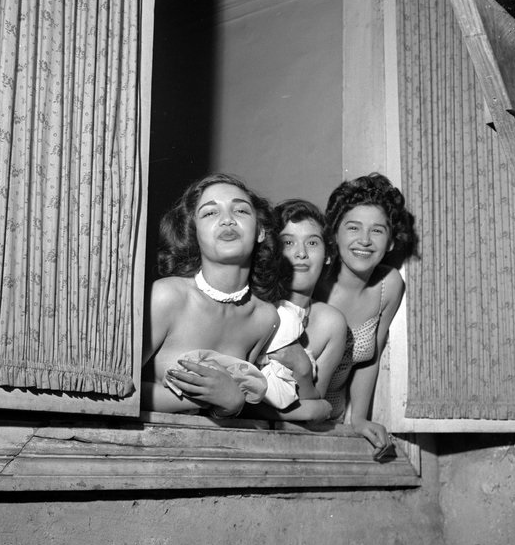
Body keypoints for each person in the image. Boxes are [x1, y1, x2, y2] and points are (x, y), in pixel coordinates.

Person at [141, 173, 280, 418]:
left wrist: (234, 405)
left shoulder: (265, 317)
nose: (227, 220)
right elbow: (116, 389)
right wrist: (213, 400)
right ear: (193, 233)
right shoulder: (167, 297)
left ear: (260, 231)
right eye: (210, 213)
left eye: (241, 211)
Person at [317, 173, 418, 459]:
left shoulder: (390, 285)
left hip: (334, 418)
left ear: (390, 242)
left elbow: (370, 356)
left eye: (377, 231)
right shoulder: (314, 279)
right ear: (335, 234)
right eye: (353, 228)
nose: (364, 240)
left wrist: (358, 419)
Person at [251, 199, 347, 422]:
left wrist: (301, 368)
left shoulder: (331, 322)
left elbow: (317, 401)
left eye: (312, 243)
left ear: (328, 255)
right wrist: (307, 410)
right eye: (288, 243)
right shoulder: (254, 304)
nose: (301, 253)